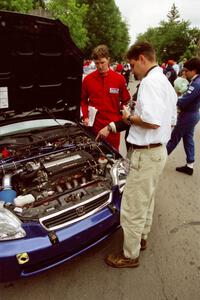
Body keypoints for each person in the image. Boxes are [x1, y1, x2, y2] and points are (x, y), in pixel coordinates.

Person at [99, 41, 177, 268]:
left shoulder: (150, 83)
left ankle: (129, 255)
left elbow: (151, 121)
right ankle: (141, 237)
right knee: (147, 199)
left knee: (132, 206)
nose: (132, 70)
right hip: (157, 152)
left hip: (146, 153)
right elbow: (170, 120)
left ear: (142, 58)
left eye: (133, 65)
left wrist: (128, 118)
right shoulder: (165, 82)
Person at [81, 44, 130, 150]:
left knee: (112, 158)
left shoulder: (119, 79)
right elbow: (83, 100)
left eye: (102, 62)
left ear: (108, 60)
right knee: (94, 157)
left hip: (112, 128)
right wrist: (85, 116)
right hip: (94, 127)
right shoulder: (88, 80)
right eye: (97, 63)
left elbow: (126, 100)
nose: (100, 66)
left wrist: (121, 117)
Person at [167, 58, 200, 175]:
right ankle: (190, 165)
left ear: (194, 70)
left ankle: (159, 160)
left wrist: (172, 98)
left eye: (187, 71)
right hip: (192, 114)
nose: (184, 73)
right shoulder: (195, 82)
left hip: (188, 115)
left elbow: (183, 101)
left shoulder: (196, 83)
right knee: (188, 138)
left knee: (174, 137)